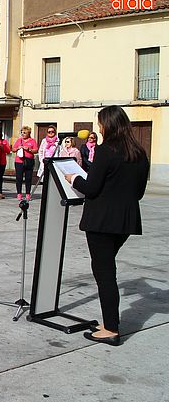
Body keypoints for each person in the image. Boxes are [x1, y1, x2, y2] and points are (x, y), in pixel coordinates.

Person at [64, 105, 149, 346]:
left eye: (100, 123)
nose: (99, 128)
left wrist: (74, 178)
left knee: (105, 274)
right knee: (106, 268)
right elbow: (139, 192)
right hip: (125, 221)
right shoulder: (139, 152)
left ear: (108, 125)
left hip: (101, 221)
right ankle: (109, 322)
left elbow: (91, 188)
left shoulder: (105, 151)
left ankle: (111, 328)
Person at [12, 126, 38, 201]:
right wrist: (18, 148)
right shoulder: (19, 140)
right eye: (22, 133)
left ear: (29, 133)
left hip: (29, 161)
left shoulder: (32, 141)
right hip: (19, 161)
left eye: (24, 133)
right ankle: (19, 193)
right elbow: (13, 149)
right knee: (19, 178)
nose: (23, 134)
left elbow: (36, 150)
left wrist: (29, 149)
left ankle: (28, 194)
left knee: (28, 178)